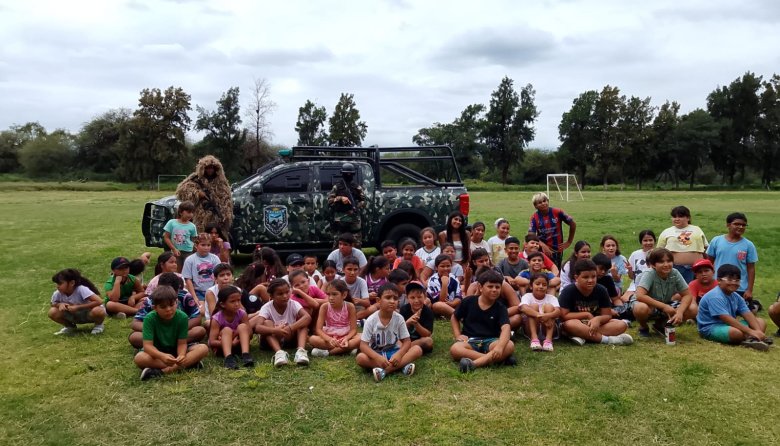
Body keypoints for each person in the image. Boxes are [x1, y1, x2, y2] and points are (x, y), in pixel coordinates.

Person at [133, 286, 209, 381]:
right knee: (139, 358)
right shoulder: (149, 319)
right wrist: (162, 356)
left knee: (203, 348)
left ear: (176, 303)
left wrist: (181, 355)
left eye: (171, 305)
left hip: (176, 351)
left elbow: (182, 343)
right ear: (154, 308)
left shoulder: (182, 317)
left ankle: (162, 372)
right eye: (163, 307)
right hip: (158, 352)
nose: (168, 309)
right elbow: (148, 346)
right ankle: (189, 364)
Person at [450, 270, 516, 373]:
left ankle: (474, 364)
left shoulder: (500, 308)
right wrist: (458, 335)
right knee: (455, 349)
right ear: (480, 287)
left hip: (492, 341)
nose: (494, 290)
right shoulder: (468, 301)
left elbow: (506, 328)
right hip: (470, 341)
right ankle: (497, 359)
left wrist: (499, 347)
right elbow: (454, 317)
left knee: (509, 345)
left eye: (497, 287)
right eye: (490, 286)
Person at [558, 259, 633, 346]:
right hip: (576, 322)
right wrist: (586, 314)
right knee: (569, 325)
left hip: (596, 325)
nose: (590, 280)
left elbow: (607, 315)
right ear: (576, 278)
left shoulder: (601, 290)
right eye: (585, 277)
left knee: (622, 324)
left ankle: (582, 335)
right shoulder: (568, 291)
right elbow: (563, 316)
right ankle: (607, 340)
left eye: (593, 277)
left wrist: (598, 319)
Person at [356, 283, 422, 382]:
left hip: (394, 352)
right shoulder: (371, 320)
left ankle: (384, 371)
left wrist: (399, 354)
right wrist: (377, 357)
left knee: (417, 349)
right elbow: (363, 345)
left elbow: (407, 341)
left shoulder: (399, 318)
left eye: (395, 299)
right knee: (360, 358)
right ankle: (402, 366)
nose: (392, 301)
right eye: (388, 298)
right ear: (378, 301)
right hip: (377, 353)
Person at [697, 265, 769, 351]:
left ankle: (752, 339)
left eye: (737, 280)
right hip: (711, 328)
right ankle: (750, 338)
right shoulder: (715, 296)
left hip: (729, 326)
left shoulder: (736, 296)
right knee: (736, 333)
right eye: (730, 280)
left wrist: (758, 331)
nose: (734, 283)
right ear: (719, 280)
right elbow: (726, 319)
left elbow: (747, 314)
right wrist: (751, 331)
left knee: (760, 322)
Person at [632, 248, 697, 338]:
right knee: (640, 308)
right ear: (653, 265)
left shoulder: (675, 273)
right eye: (661, 262)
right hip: (650, 304)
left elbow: (687, 294)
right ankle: (643, 327)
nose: (666, 265)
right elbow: (639, 295)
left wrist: (680, 312)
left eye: (669, 261)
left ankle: (661, 325)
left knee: (693, 309)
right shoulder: (649, 274)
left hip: (666, 302)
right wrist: (664, 306)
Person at [129, 272, 204, 349]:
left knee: (199, 331)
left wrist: (178, 330)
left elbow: (197, 318)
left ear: (177, 291)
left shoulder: (185, 296)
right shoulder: (151, 299)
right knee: (134, 336)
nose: (168, 309)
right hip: (158, 335)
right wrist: (159, 331)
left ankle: (163, 346)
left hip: (179, 333)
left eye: (171, 304)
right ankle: (174, 345)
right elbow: (135, 323)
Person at [706, 212, 759, 311]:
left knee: (744, 311)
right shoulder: (716, 241)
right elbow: (709, 263)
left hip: (739, 287)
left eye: (743, 225)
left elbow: (751, 268)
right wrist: (709, 281)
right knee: (717, 309)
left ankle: (754, 305)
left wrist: (749, 290)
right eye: (737, 224)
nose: (740, 227)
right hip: (719, 284)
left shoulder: (748, 245)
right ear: (728, 225)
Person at [253, 278, 312, 367]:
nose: (285, 296)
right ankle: (279, 353)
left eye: (287, 292)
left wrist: (290, 327)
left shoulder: (293, 304)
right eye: (280, 294)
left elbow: (307, 317)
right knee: (267, 322)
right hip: (271, 341)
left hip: (289, 338)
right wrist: (275, 330)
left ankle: (301, 352)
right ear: (271, 296)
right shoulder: (266, 307)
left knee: (302, 323)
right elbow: (257, 327)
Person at [175, 155, 233, 236]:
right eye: (208, 168)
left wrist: (225, 215)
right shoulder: (196, 179)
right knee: (201, 236)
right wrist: (197, 193)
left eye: (212, 168)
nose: (210, 170)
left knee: (216, 237)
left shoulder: (221, 182)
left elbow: (227, 199)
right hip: (200, 216)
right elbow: (182, 191)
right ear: (203, 168)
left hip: (216, 216)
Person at [309, 279, 361, 357]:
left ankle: (328, 353)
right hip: (330, 336)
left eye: (334, 294)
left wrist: (346, 338)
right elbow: (319, 329)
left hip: (345, 335)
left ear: (344, 295)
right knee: (312, 339)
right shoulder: (324, 307)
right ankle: (347, 349)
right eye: (328, 294)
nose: (331, 298)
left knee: (361, 338)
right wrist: (329, 339)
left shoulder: (350, 306)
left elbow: (353, 329)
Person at [657, 205, 708, 283]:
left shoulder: (697, 229)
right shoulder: (666, 232)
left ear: (688, 218)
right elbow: (659, 251)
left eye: (680, 216)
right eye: (674, 216)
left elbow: (705, 248)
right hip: (675, 268)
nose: (677, 219)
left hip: (696, 268)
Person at [208, 286, 254, 369]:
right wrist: (230, 343)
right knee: (226, 330)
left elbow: (250, 334)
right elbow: (212, 342)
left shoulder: (242, 314)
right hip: (221, 349)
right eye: (232, 301)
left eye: (238, 300)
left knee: (243, 326)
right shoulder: (217, 318)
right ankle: (228, 359)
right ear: (222, 304)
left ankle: (246, 355)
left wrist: (238, 336)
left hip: (238, 346)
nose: (237, 304)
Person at [49, 269, 106, 335]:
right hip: (74, 316)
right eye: (56, 283)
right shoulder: (58, 293)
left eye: (60, 283)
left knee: (98, 310)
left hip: (88, 314)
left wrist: (78, 307)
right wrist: (59, 305)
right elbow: (52, 304)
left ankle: (98, 325)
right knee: (52, 312)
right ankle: (70, 327)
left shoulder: (81, 289)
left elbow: (99, 301)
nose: (57, 286)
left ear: (72, 283)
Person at [527, 192, 576, 269]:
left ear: (548, 201)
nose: (543, 203)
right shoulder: (534, 217)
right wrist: (543, 245)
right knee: (544, 269)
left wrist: (569, 241)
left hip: (557, 249)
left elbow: (572, 224)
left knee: (557, 268)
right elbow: (531, 235)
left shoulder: (557, 212)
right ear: (535, 206)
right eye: (540, 202)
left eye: (545, 201)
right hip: (543, 250)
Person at [327, 162, 366, 247]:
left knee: (356, 243)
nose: (348, 175)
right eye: (346, 174)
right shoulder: (337, 187)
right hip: (341, 217)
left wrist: (356, 206)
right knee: (339, 242)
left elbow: (363, 201)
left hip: (354, 217)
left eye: (350, 174)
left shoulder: (357, 187)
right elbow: (330, 201)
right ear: (343, 174)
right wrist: (340, 198)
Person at [519, 273, 561, 352]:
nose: (541, 286)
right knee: (533, 306)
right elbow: (523, 308)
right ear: (531, 286)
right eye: (537, 284)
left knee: (549, 307)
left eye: (544, 285)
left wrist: (548, 315)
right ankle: (534, 339)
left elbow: (558, 311)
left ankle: (548, 340)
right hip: (532, 328)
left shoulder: (551, 298)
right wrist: (540, 315)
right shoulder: (527, 296)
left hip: (548, 327)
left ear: (547, 288)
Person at [182, 234, 221, 304]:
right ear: (196, 245)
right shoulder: (190, 260)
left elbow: (218, 276)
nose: (206, 248)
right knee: (200, 310)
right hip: (197, 291)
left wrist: (216, 291)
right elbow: (188, 279)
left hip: (213, 290)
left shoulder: (215, 258)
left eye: (208, 245)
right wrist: (194, 297)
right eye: (203, 245)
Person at [163, 201, 198, 272]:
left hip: (188, 252)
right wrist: (174, 249)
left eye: (192, 212)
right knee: (177, 270)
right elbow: (166, 237)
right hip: (175, 251)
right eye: (188, 212)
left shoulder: (192, 226)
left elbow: (193, 239)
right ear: (180, 212)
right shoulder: (171, 223)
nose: (190, 214)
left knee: (188, 271)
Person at [400, 281, 434, 353]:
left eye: (419, 297)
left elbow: (427, 334)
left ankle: (403, 349)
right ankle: (406, 348)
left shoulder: (428, 312)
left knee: (428, 341)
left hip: (419, 340)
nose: (416, 300)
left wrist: (416, 323)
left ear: (425, 297)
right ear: (407, 298)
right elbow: (398, 331)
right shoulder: (403, 309)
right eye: (412, 297)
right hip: (405, 340)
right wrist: (408, 322)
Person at [623, 230, 656, 301]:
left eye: (651, 240)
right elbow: (631, 277)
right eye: (645, 240)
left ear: (654, 241)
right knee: (624, 299)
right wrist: (630, 270)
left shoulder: (659, 254)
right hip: (636, 284)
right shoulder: (635, 254)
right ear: (641, 242)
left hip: (654, 284)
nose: (648, 243)